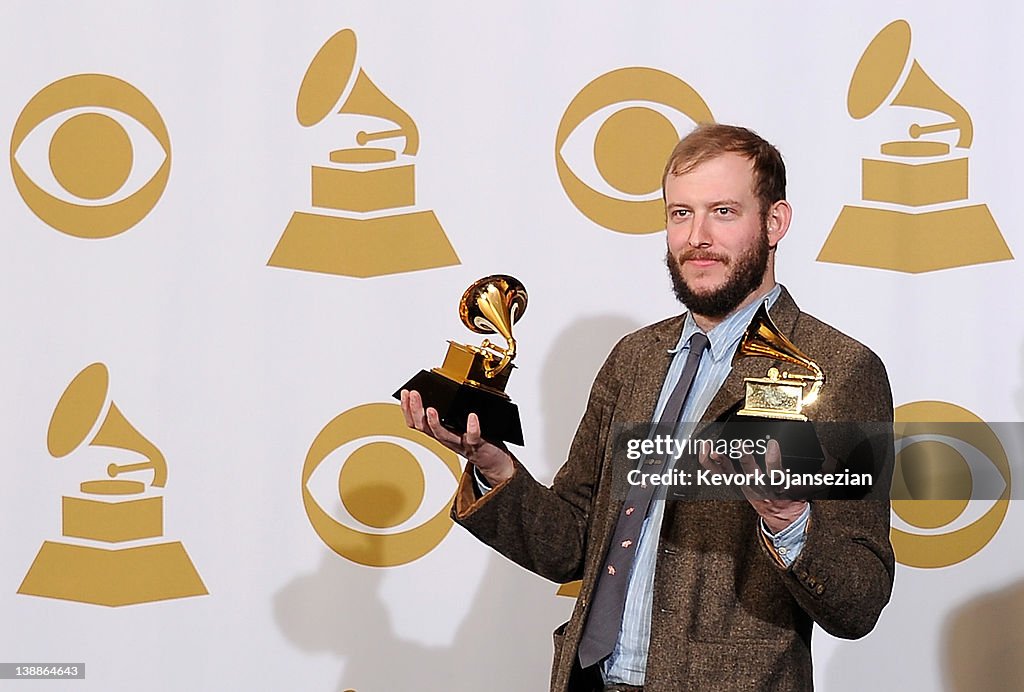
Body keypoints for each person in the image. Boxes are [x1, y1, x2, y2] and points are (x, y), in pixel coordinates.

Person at [401, 123, 894, 692]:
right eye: (680, 213)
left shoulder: (841, 370)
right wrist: (492, 466)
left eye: (724, 212)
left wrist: (789, 522)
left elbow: (861, 599)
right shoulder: (635, 358)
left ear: (775, 222)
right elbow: (569, 544)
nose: (697, 236)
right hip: (587, 679)